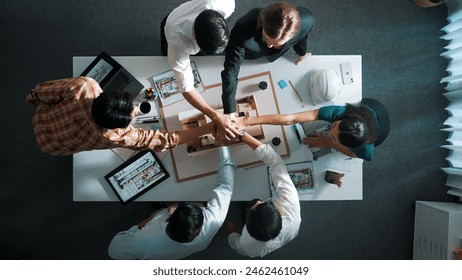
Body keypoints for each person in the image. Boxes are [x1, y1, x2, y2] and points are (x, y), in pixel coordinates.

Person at [108, 130, 236, 259]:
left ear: (169, 218)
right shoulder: (213, 221)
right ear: (197, 232)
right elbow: (225, 186)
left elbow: (113, 251)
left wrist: (142, 225)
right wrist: (224, 145)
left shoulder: (140, 241)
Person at [25, 77, 215, 156]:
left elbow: (40, 91)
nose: (135, 110)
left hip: (40, 117)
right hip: (51, 146)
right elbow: (166, 140)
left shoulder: (84, 85)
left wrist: (31, 101)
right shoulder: (111, 136)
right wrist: (210, 126)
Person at [161, 0, 238, 139]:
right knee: (165, 54)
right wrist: (215, 115)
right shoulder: (177, 42)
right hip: (172, 23)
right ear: (196, 36)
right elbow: (186, 87)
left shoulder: (224, 4)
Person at [221, 2, 315, 115]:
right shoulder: (244, 25)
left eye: (276, 43)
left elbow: (302, 37)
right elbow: (231, 69)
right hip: (249, 54)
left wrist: (302, 53)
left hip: (271, 59)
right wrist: (230, 111)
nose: (269, 46)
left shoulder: (307, 21)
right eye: (266, 38)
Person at [236, 98, 390, 161]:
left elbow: (354, 154)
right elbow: (291, 118)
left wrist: (329, 143)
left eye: (335, 137)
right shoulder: (340, 112)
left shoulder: (366, 149)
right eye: (334, 126)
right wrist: (248, 120)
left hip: (381, 131)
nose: (330, 132)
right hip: (374, 106)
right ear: (344, 118)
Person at [227, 129, 301, 258]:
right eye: (261, 204)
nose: (257, 201)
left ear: (247, 226)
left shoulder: (247, 244)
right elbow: (276, 163)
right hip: (288, 233)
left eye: (255, 206)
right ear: (275, 211)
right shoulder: (291, 205)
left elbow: (237, 245)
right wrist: (243, 135)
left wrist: (232, 233)